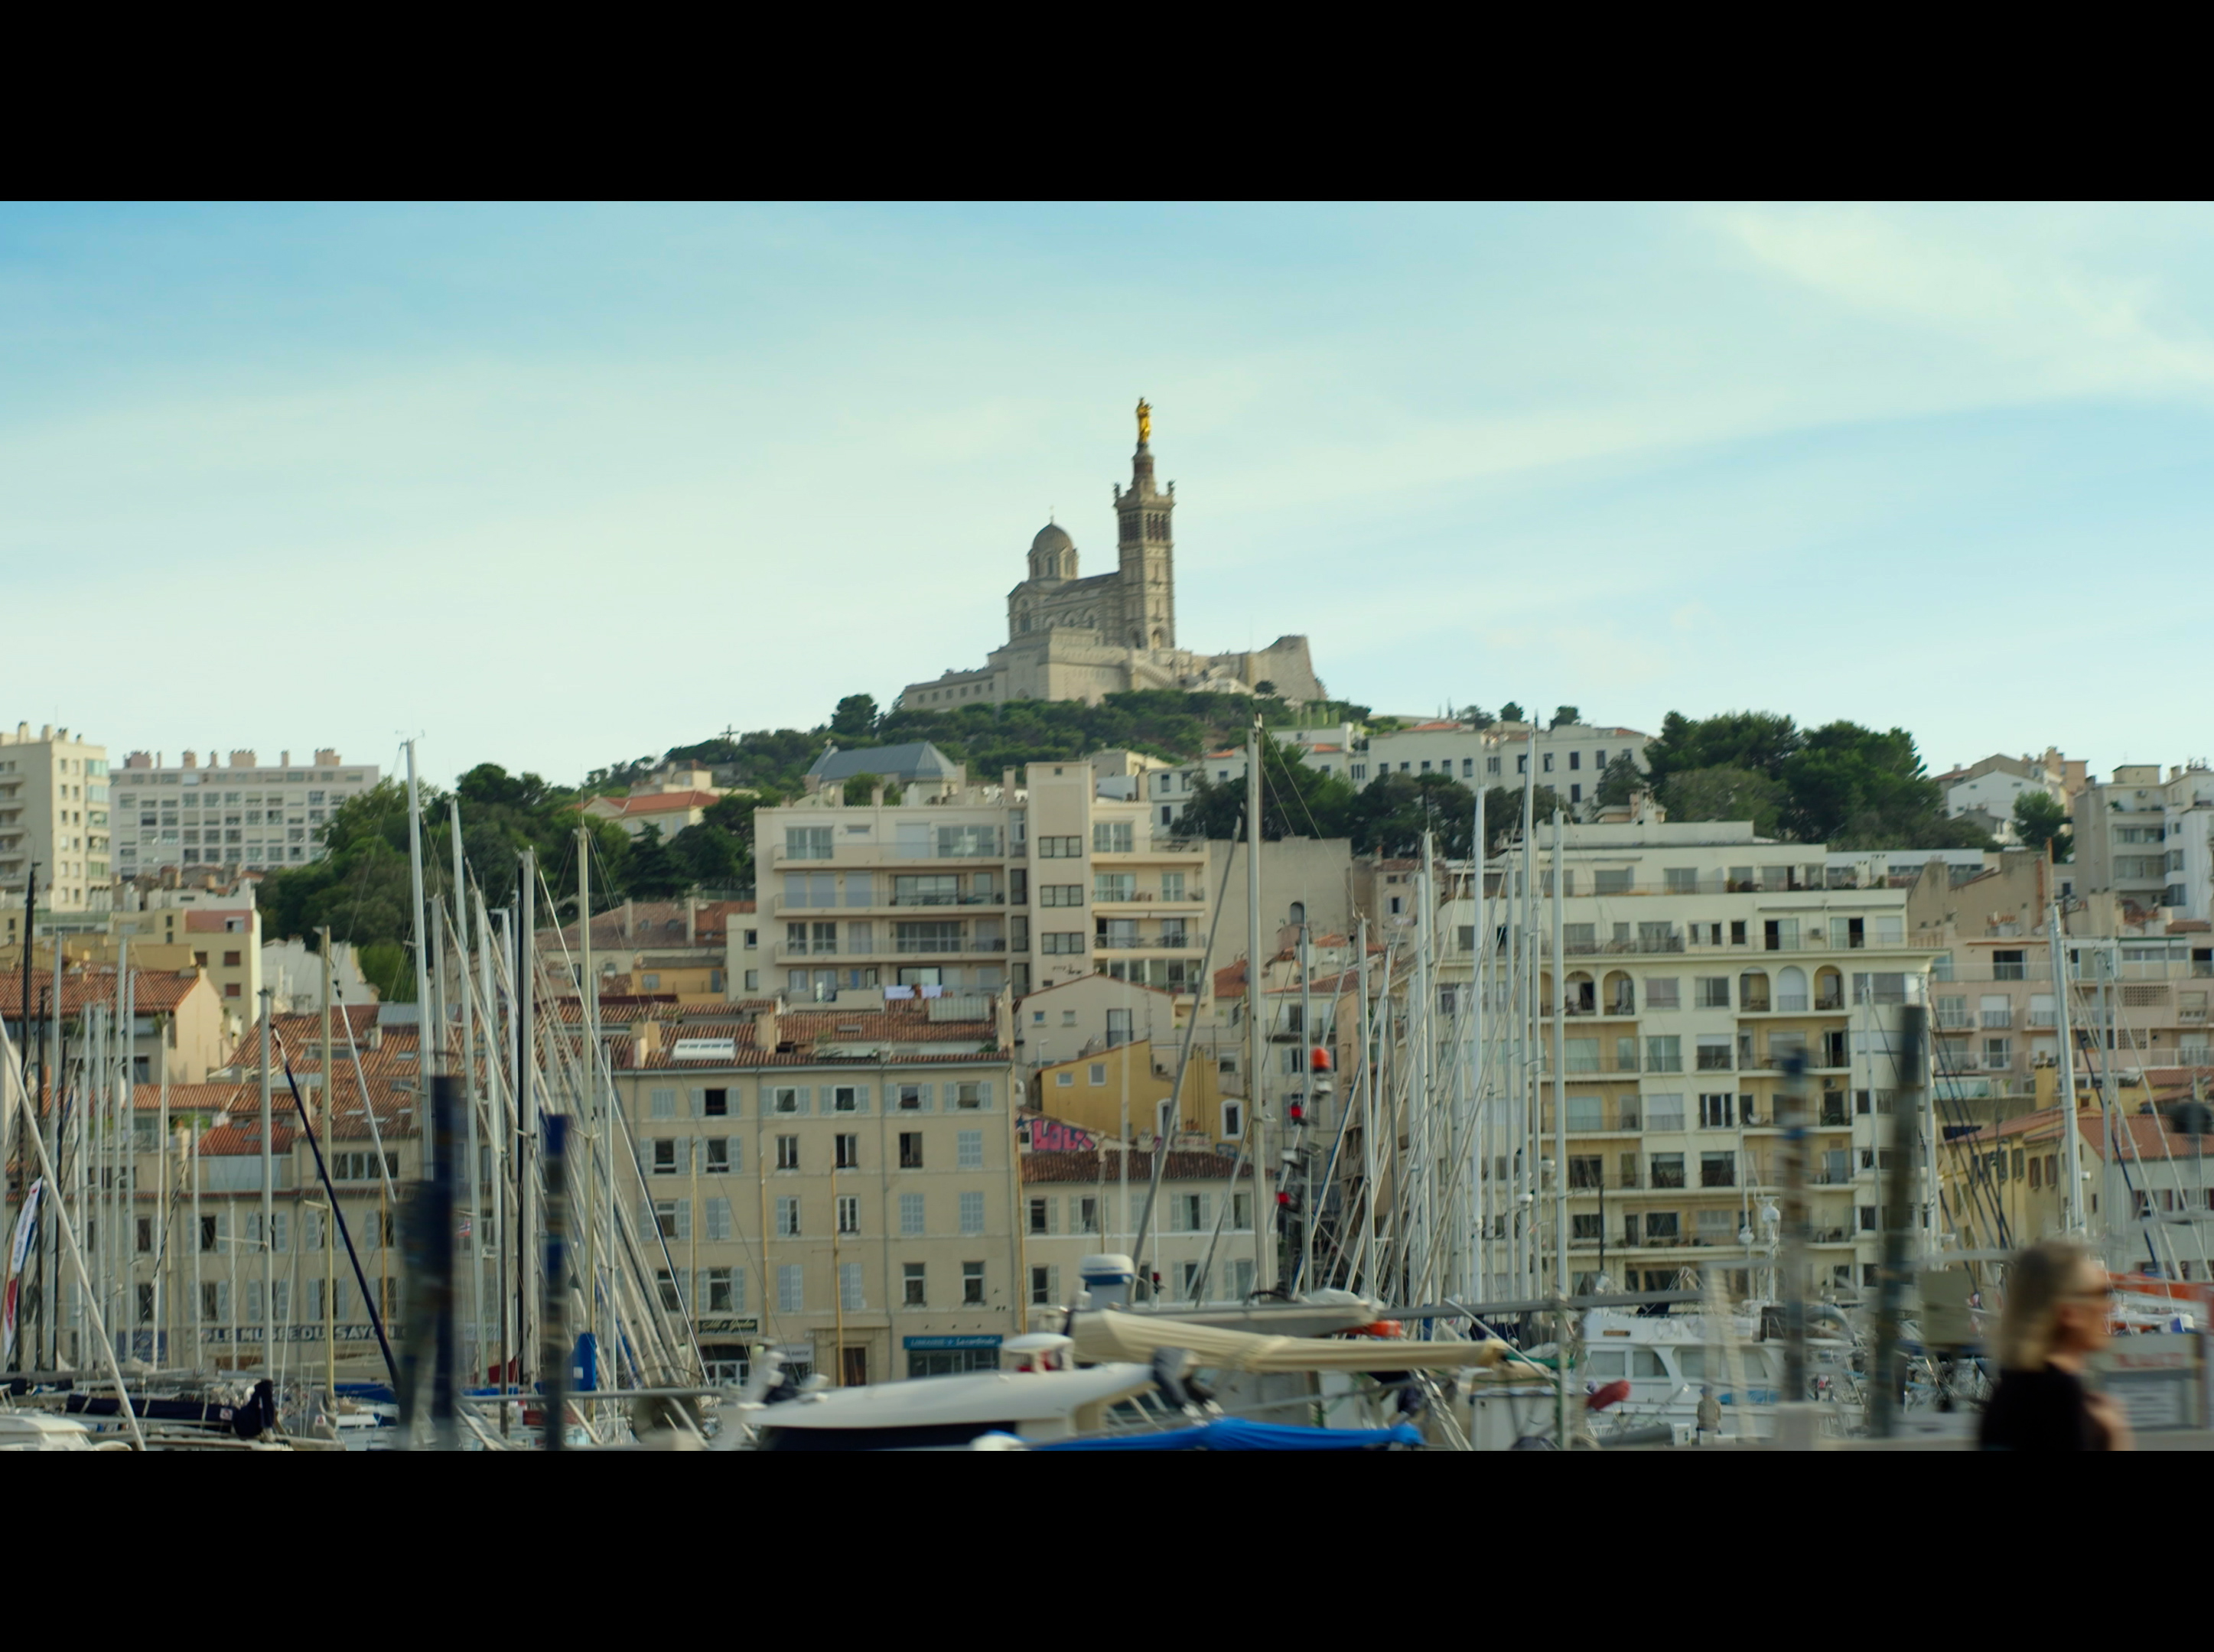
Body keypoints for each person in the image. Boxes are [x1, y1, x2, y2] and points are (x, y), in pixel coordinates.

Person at [1979, 1240, 2132, 1451]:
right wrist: (2113, 1435)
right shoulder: (2060, 1394)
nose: (2110, 1306)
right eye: (2102, 1293)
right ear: (2069, 1312)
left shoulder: (2007, 1392)